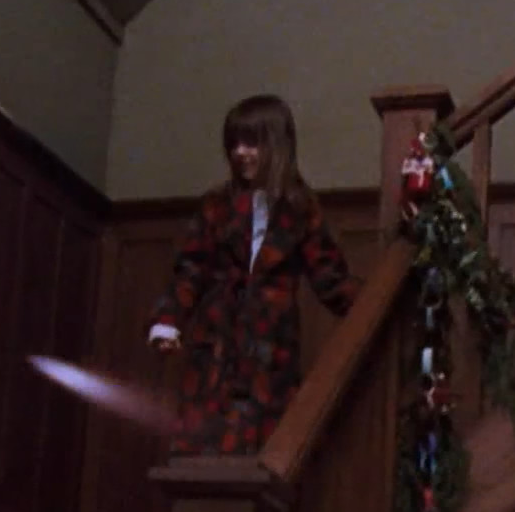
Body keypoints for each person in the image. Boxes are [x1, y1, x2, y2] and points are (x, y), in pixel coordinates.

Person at [147, 94, 362, 456]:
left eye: (251, 143)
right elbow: (190, 269)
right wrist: (167, 321)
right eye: (234, 144)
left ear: (276, 145)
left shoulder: (300, 209)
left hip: (271, 351)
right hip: (216, 346)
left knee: (265, 450)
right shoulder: (217, 205)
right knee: (204, 447)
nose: (240, 153)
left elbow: (330, 278)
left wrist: (375, 301)